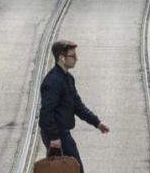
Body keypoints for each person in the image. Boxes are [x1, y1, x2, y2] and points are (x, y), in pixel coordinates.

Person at [39, 40, 109, 173]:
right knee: (74, 169)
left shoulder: (67, 78)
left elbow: (77, 105)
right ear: (61, 58)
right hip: (56, 133)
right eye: (73, 56)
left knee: (66, 169)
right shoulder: (53, 81)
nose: (76, 59)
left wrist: (97, 122)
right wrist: (54, 138)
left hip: (62, 132)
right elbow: (46, 112)